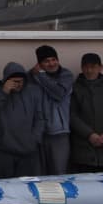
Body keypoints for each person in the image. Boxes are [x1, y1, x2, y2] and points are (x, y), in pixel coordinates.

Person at [0, 62, 46, 178]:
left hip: (28, 151)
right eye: (15, 81)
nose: (18, 84)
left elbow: (40, 118)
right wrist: (4, 93)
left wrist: (35, 139)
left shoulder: (33, 92)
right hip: (3, 152)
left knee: (26, 186)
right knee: (5, 186)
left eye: (21, 81)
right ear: (6, 80)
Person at [69, 52, 103, 173]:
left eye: (93, 67)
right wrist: (89, 134)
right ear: (82, 68)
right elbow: (72, 115)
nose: (89, 71)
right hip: (83, 149)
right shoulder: (74, 89)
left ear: (100, 67)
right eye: (86, 67)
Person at [30, 45, 76, 176]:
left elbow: (58, 93)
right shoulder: (31, 77)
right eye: (46, 61)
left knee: (58, 173)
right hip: (37, 132)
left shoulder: (66, 75)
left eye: (54, 59)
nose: (51, 64)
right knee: (38, 174)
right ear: (39, 64)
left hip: (59, 132)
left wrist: (41, 75)